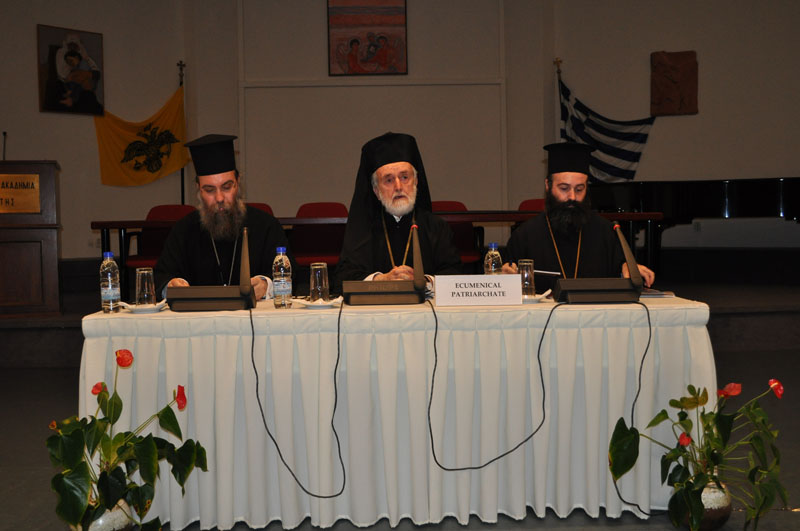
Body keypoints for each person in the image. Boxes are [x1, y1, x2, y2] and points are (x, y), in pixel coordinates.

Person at [155, 134, 295, 299]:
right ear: (198, 189)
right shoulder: (184, 230)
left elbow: (294, 275)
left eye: (226, 187)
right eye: (209, 190)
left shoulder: (266, 225)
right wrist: (170, 286)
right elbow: (160, 277)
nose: (220, 198)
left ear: (238, 183)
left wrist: (267, 285)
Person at [502, 142, 655, 292]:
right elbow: (507, 278)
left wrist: (627, 269)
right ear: (548, 186)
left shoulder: (605, 231)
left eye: (579, 189)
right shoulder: (525, 235)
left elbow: (620, 269)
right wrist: (506, 277)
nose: (572, 197)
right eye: (564, 188)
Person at [336, 132, 462, 287]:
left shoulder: (435, 226)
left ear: (416, 182)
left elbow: (455, 272)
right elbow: (342, 278)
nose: (398, 187)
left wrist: (424, 281)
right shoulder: (362, 229)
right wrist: (381, 280)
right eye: (389, 180)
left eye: (404, 177)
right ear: (376, 191)